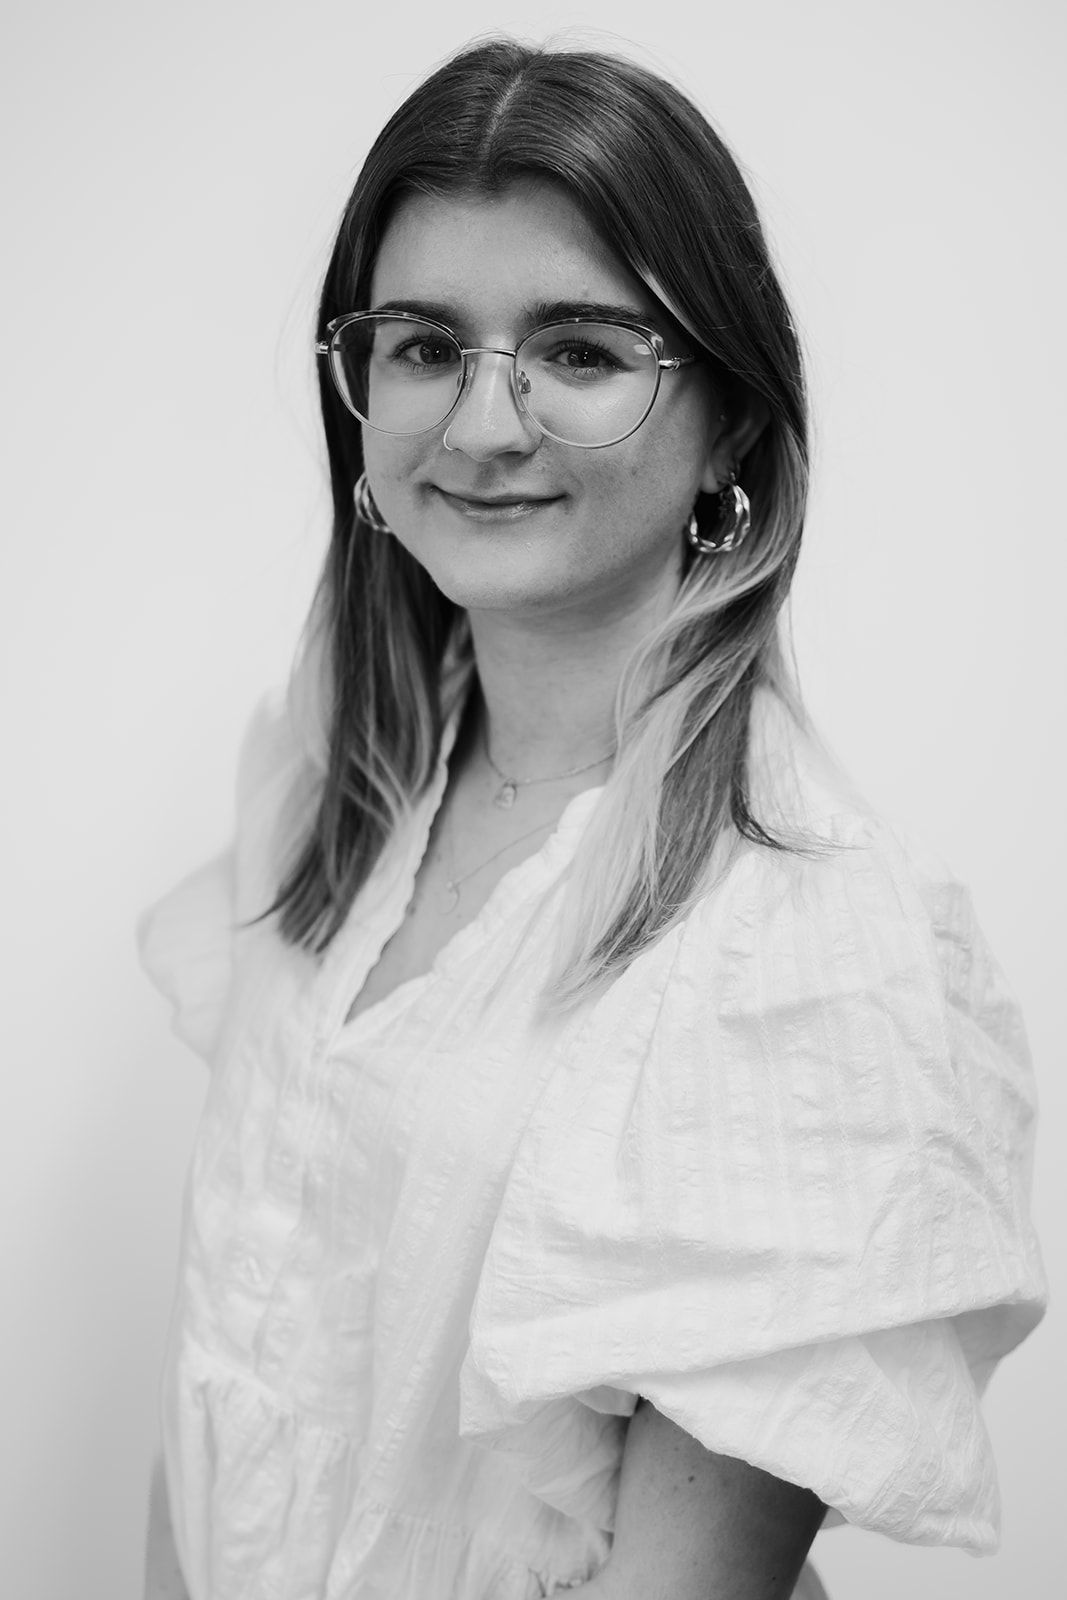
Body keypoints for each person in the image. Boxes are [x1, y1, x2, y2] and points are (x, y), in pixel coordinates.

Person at [138, 37, 1046, 1600]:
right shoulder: (332, 793)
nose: (483, 427)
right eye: (424, 345)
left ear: (732, 432)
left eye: (579, 351)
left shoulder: (801, 936)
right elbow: (232, 1392)